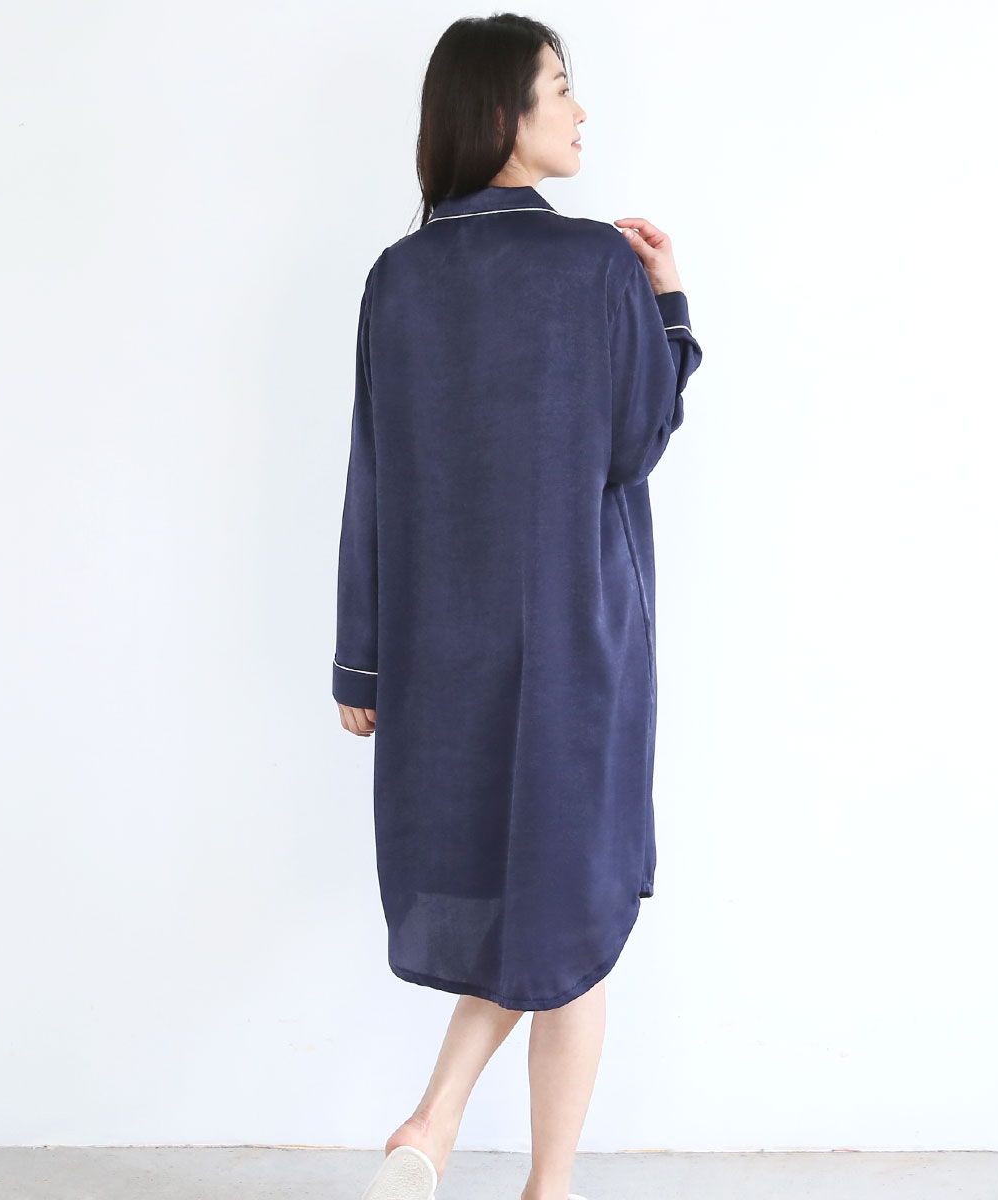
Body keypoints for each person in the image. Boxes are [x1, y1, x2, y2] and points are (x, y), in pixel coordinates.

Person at [333, 15, 703, 1200]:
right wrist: (671, 309)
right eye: (560, 87)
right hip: (576, 648)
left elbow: (372, 479)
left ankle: (435, 1126)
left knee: (525, 904)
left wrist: (360, 667)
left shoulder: (396, 278)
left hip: (441, 656)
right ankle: (541, 1184)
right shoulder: (596, 266)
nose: (580, 110)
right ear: (503, 112)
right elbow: (635, 441)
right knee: (572, 913)